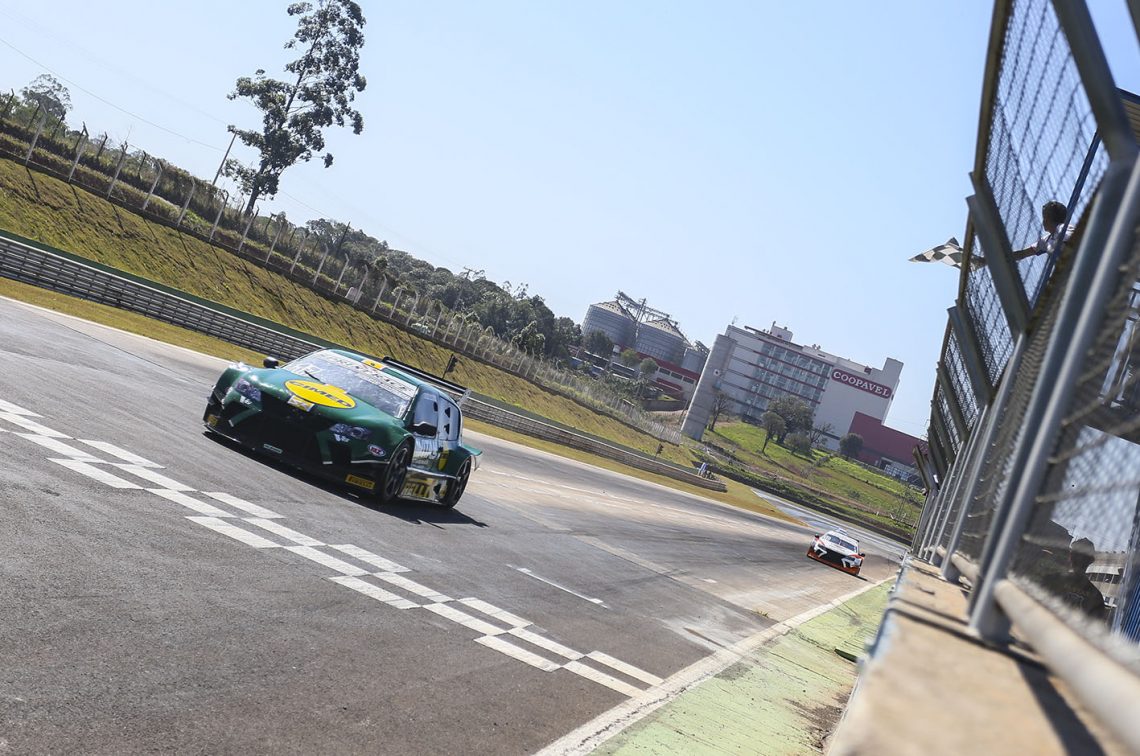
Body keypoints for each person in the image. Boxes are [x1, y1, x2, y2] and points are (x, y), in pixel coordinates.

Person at [1044, 537, 1108, 623]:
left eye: (1083, 556)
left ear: (1070, 556)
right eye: (1077, 554)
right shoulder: (1096, 598)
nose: (1079, 559)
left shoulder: (1052, 579)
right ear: (1091, 561)